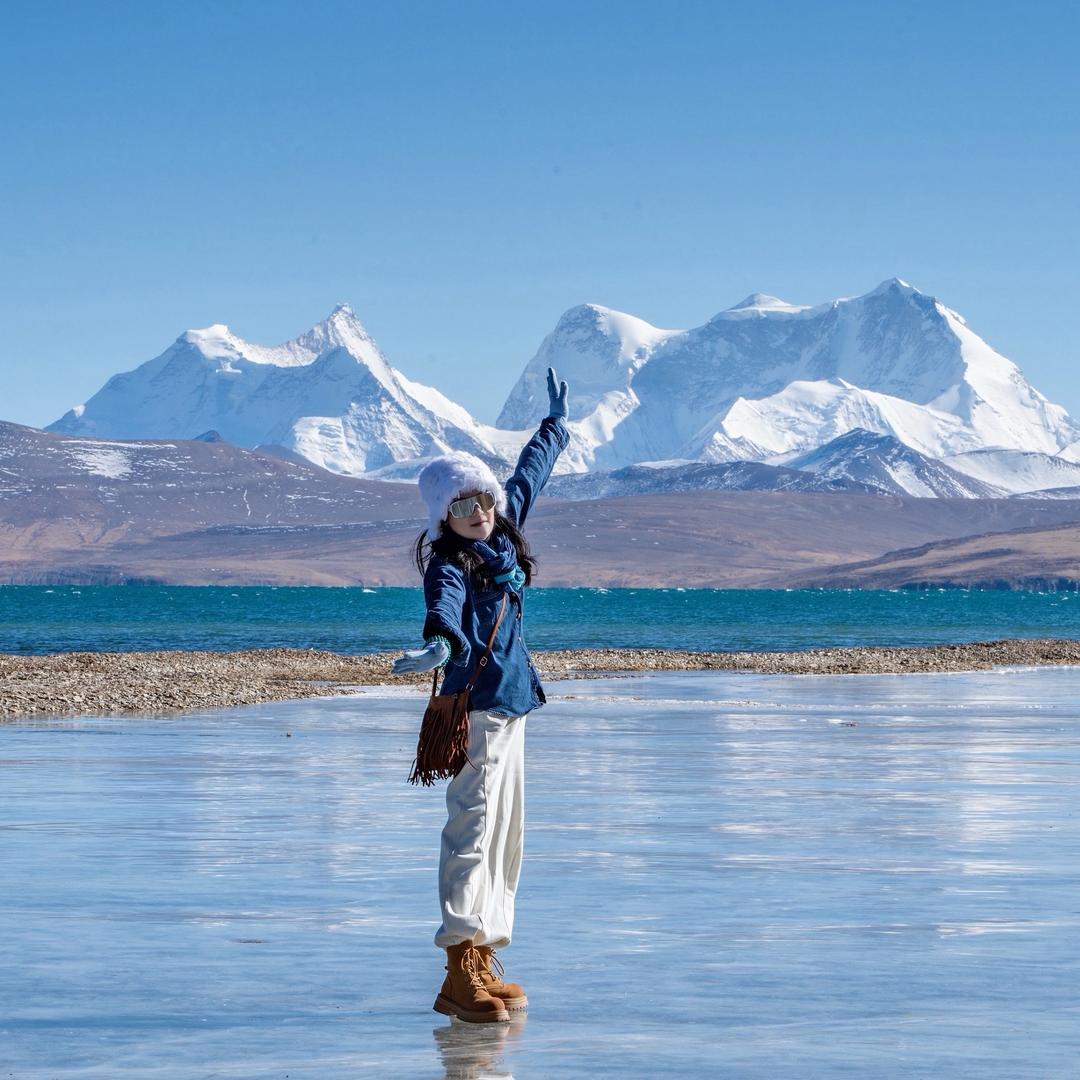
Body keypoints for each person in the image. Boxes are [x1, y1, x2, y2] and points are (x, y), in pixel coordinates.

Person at [392, 367, 570, 1024]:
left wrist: (556, 426)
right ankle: (456, 966)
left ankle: (486, 954)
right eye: (462, 507)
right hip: (475, 709)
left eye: (482, 502)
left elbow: (530, 475)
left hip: (514, 702)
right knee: (471, 829)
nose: (478, 514)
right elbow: (444, 605)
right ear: (445, 515)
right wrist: (439, 644)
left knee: (505, 834)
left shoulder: (503, 536)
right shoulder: (451, 561)